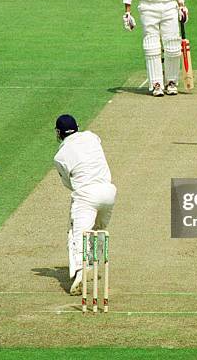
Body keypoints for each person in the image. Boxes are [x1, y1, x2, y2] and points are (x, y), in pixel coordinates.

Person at [53, 115, 116, 295]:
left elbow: (68, 183)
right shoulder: (92, 136)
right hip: (108, 192)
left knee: (77, 234)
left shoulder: (60, 156)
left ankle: (81, 272)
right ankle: (94, 265)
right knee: (98, 230)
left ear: (59, 133)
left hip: (86, 195)